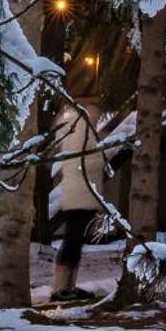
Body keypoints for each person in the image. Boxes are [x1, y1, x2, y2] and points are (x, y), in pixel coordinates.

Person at [48, 99, 105, 303]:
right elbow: (83, 160)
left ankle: (68, 286)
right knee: (72, 241)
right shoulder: (80, 132)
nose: (97, 120)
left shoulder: (79, 131)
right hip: (80, 194)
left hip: (82, 193)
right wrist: (103, 157)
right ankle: (60, 288)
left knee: (76, 241)